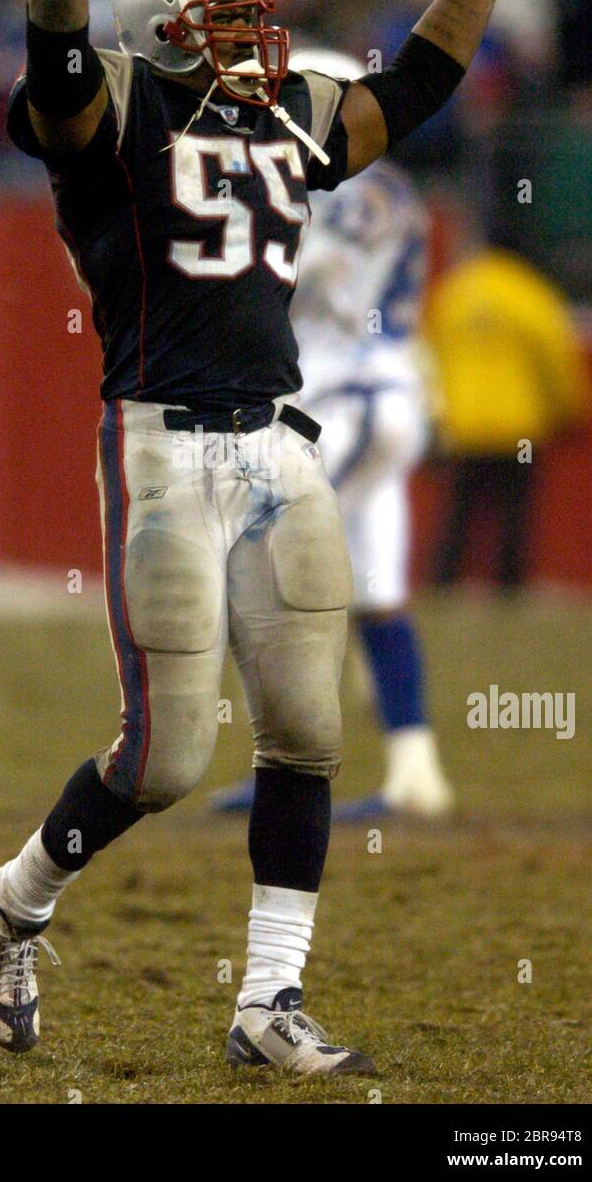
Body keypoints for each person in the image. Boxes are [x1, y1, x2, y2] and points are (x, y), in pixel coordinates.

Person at [0, 0, 554, 1076]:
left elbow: (422, 84)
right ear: (166, 34)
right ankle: (10, 902)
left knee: (305, 736)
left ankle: (266, 998)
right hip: (165, 448)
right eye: (229, 20)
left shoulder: (291, 118)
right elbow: (55, 45)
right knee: (166, 756)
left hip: (283, 447)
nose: (257, 37)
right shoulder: (109, 115)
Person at [212, 48, 453, 822]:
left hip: (343, 401)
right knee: (375, 592)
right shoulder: (395, 190)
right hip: (386, 399)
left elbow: (312, 276)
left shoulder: (343, 187)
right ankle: (416, 772)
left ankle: (284, 768)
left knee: (265, 565)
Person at [429, 242, 592, 589]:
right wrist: (571, 411)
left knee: (459, 509)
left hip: (463, 422)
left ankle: (443, 580)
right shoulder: (531, 293)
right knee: (515, 512)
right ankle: (509, 583)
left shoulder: (457, 291)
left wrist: (435, 414)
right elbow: (555, 360)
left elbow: (430, 352)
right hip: (517, 425)